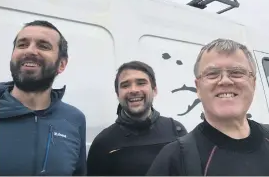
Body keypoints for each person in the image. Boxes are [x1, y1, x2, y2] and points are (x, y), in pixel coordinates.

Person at [147, 38, 269, 176]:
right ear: (198, 87)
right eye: (212, 74)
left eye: (236, 72)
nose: (225, 81)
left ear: (253, 83)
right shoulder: (174, 160)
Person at [0, 20, 87, 176]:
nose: (30, 51)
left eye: (43, 46)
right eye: (22, 45)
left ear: (62, 64)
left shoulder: (75, 119)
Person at [87, 61, 187, 176]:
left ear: (154, 90)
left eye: (141, 83)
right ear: (117, 94)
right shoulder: (103, 142)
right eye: (125, 85)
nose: (133, 90)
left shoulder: (176, 130)